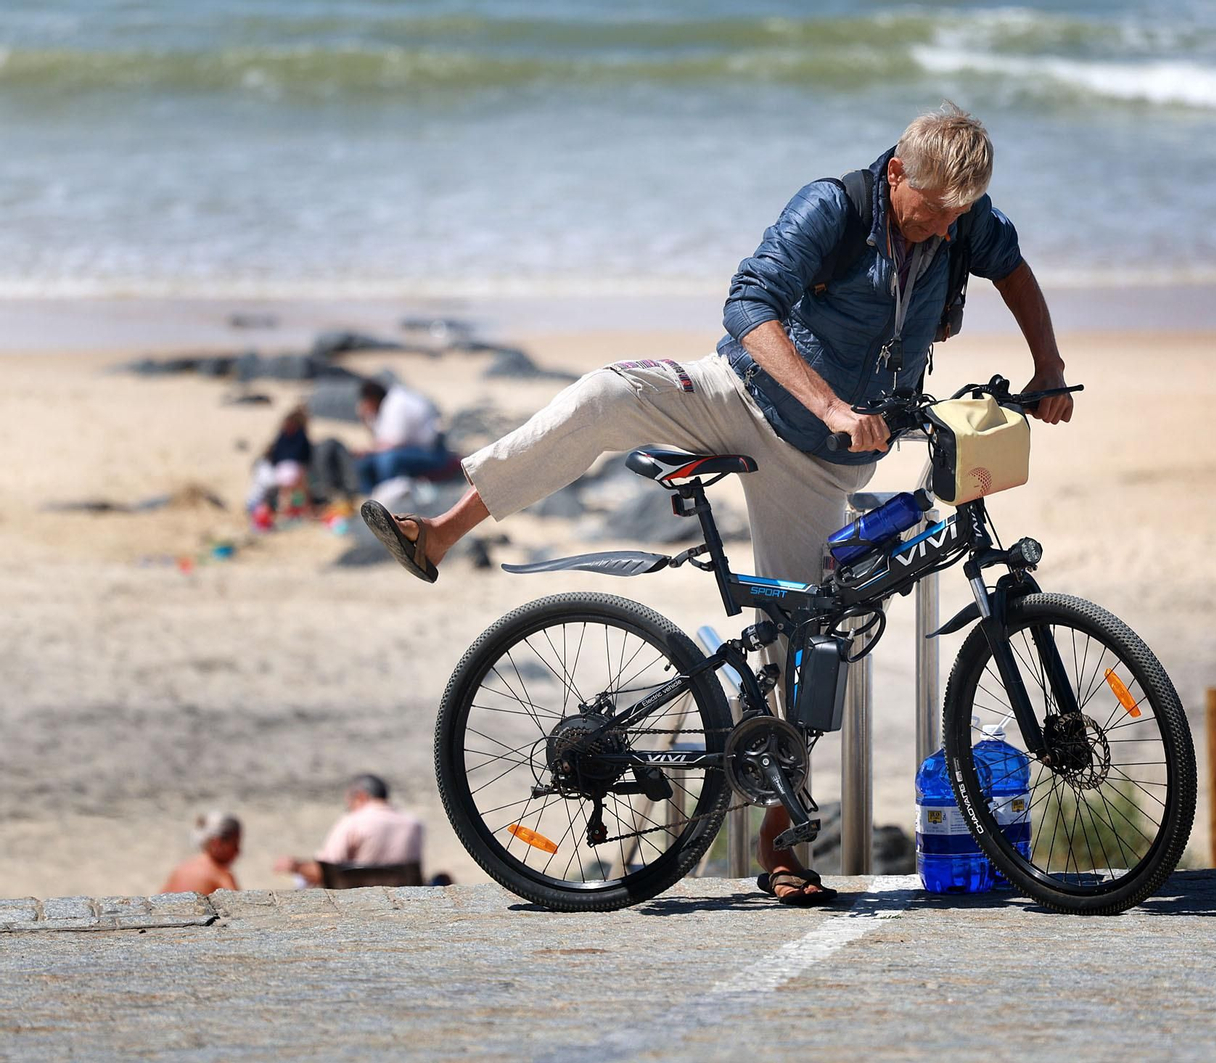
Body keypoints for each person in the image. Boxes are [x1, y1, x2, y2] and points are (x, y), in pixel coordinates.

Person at [360, 104, 1073, 905]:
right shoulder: (833, 207)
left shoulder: (961, 220)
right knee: (604, 394)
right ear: (899, 174)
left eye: (960, 215)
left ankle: (781, 841)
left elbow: (1012, 268)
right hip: (739, 396)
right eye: (933, 209)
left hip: (819, 464)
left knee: (804, 641)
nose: (946, 228)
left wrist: (1048, 365)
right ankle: (442, 530)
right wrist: (832, 403)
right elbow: (747, 304)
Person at [274, 773, 424, 887]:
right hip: (401, 893)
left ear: (361, 797)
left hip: (354, 896)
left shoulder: (352, 822)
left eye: (349, 803)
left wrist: (296, 866)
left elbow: (326, 871)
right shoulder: (413, 824)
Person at [353, 380, 454, 495]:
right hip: (411, 448)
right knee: (364, 463)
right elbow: (380, 439)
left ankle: (388, 496)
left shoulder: (396, 404)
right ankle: (370, 497)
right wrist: (366, 419)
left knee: (387, 459)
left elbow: (395, 442)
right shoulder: (388, 405)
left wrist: (369, 450)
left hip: (432, 452)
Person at [246, 405, 313, 522]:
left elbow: (276, 454)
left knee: (284, 495)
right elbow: (305, 455)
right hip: (293, 469)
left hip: (279, 471)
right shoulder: (301, 435)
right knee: (302, 491)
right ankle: (306, 511)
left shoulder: (282, 435)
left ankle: (284, 514)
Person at [159, 811, 242, 896]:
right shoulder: (220, 875)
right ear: (217, 843)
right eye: (235, 844)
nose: (238, 851)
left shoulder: (180, 869)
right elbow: (238, 906)